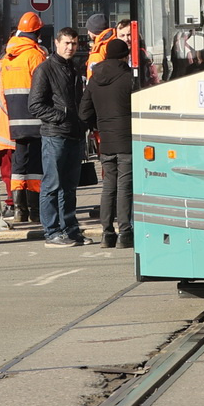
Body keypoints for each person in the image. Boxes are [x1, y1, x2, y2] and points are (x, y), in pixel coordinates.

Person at [29, 26, 87, 247]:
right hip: (55, 135)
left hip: (74, 134)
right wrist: (61, 117)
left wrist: (82, 122)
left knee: (69, 187)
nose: (70, 47)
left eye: (73, 44)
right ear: (57, 43)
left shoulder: (72, 68)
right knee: (52, 185)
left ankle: (69, 229)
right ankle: (52, 231)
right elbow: (35, 105)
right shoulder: (45, 69)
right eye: (66, 43)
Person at [80, 37, 134, 248]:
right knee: (125, 186)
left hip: (107, 140)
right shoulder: (129, 78)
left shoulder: (94, 79)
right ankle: (125, 233)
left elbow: (84, 112)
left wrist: (99, 125)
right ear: (125, 56)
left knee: (108, 187)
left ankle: (107, 233)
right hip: (127, 139)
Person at [0, 13, 47, 228]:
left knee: (18, 164)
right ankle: (35, 211)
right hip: (35, 119)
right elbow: (44, 87)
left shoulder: (8, 58)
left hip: (13, 121)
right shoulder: (35, 56)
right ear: (36, 32)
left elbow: (1, 93)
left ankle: (19, 210)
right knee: (35, 164)